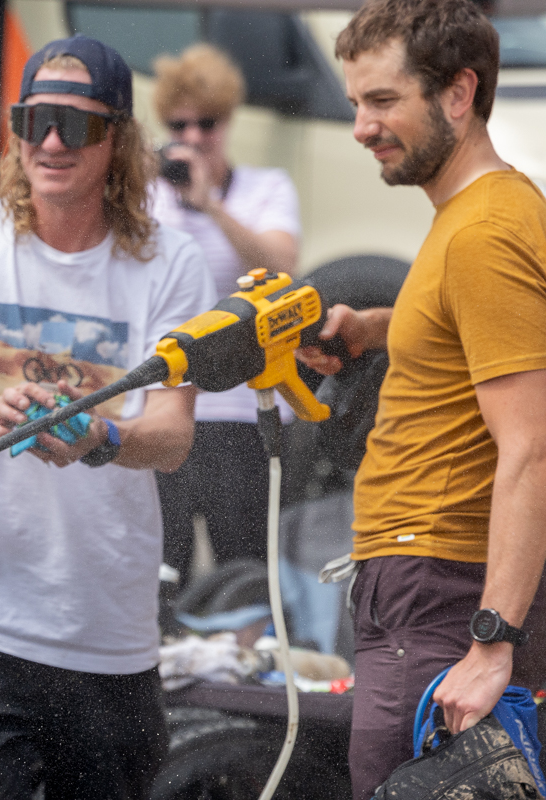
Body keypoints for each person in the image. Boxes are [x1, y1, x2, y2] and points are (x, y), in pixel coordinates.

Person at [0, 34, 216, 799]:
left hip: (105, 633)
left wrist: (104, 438)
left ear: (119, 140)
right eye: (31, 119)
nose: (47, 142)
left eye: (73, 125)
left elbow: (172, 439)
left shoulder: (172, 265)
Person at [296, 1, 546, 797]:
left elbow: (532, 445)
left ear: (459, 94)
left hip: (442, 593)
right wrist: (378, 328)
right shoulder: (473, 216)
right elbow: (477, 333)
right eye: (355, 105)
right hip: (424, 585)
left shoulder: (482, 234)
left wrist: (492, 642)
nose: (363, 127)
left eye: (382, 101)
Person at [149, 43, 302, 586]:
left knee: (245, 571)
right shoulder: (148, 196)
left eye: (206, 123)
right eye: (178, 124)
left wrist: (210, 203)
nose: (192, 137)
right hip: (164, 407)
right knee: (164, 569)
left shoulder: (265, 189)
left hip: (240, 413)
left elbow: (282, 269)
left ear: (228, 121)